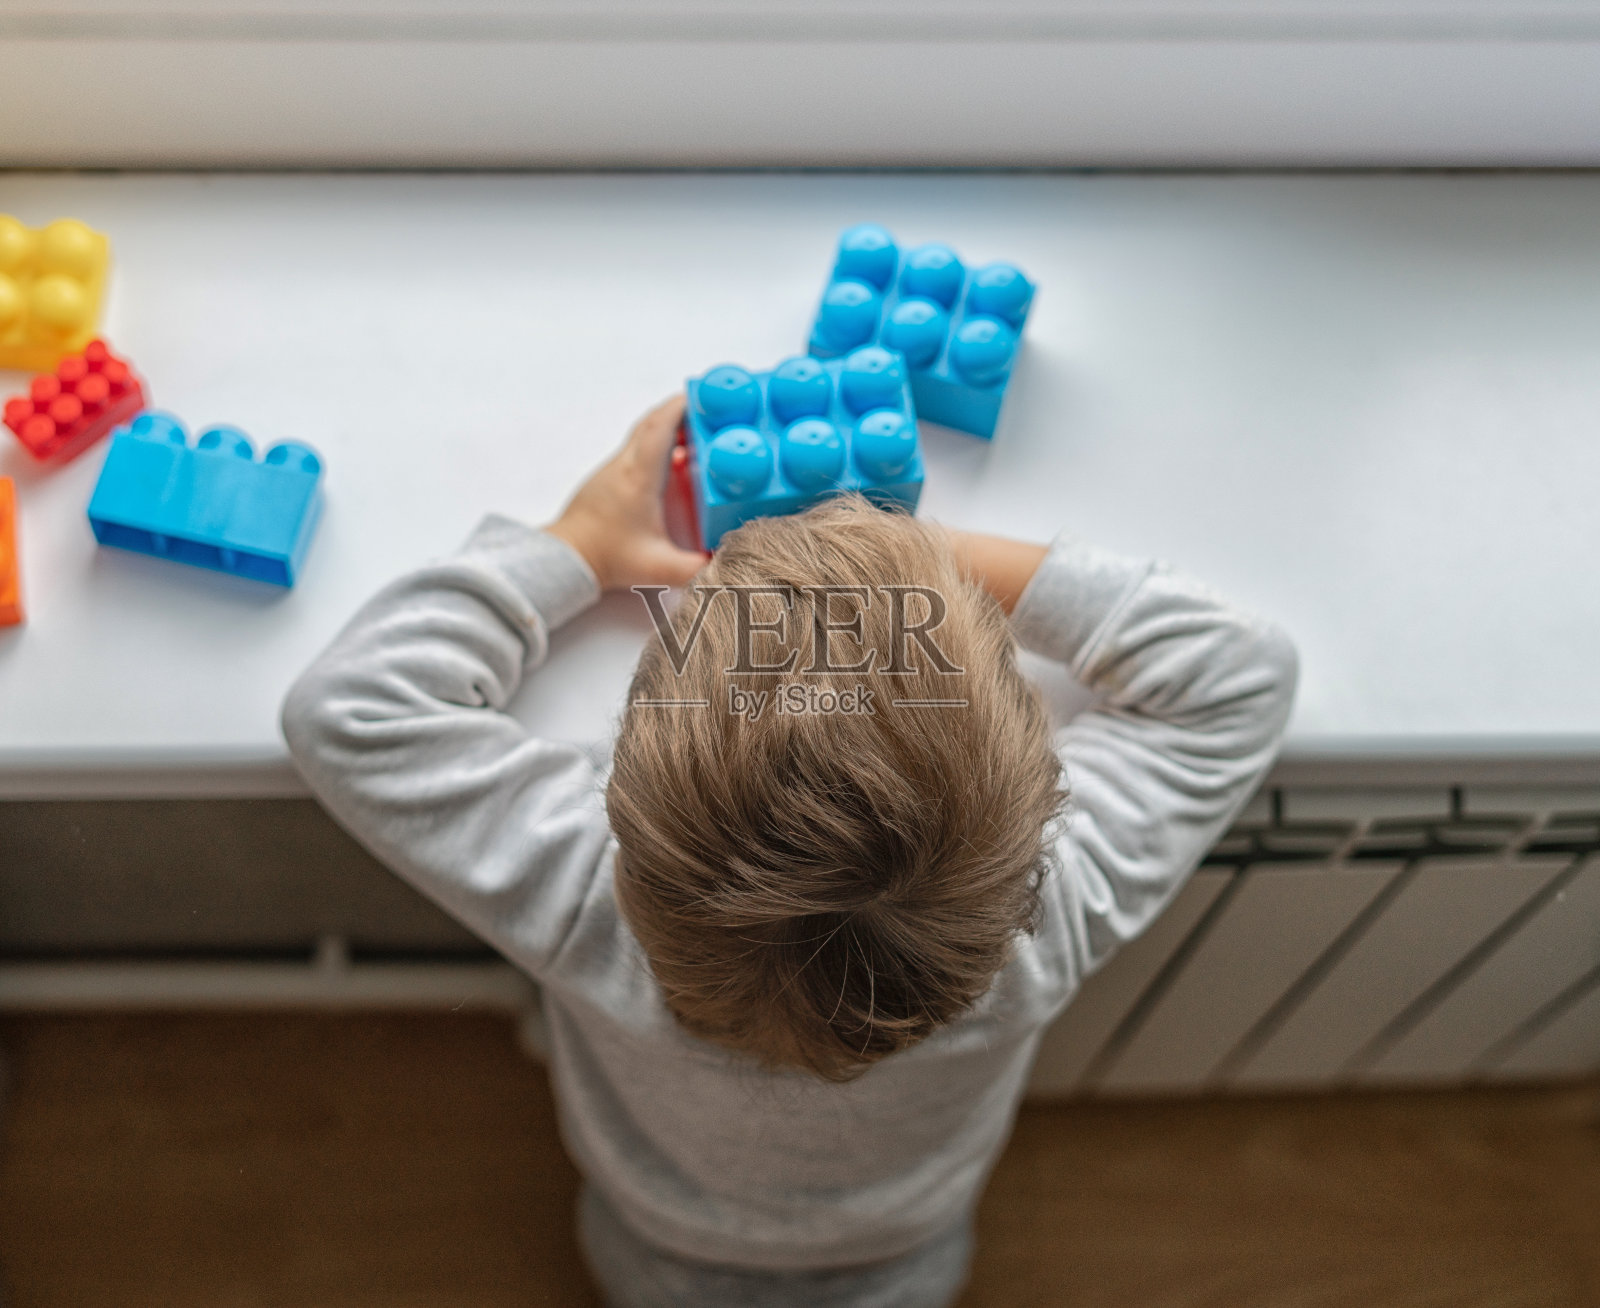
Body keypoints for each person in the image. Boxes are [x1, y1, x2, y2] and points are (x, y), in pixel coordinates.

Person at [282, 394, 1297, 1307]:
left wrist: (579, 548)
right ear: (1037, 799)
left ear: (625, 785)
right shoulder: (1045, 916)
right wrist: (932, 562)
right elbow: (1239, 670)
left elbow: (347, 709)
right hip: (904, 1256)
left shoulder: (583, 892)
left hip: (657, 1248)